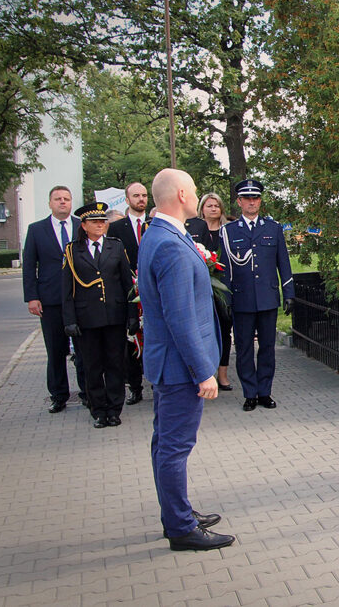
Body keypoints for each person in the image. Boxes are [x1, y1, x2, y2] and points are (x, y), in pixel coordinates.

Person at [139, 168, 234, 551]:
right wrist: (204, 372)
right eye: (193, 190)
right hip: (180, 368)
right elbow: (180, 318)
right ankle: (180, 528)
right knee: (174, 446)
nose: (197, 196)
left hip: (169, 363)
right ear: (180, 194)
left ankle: (177, 512)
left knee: (165, 443)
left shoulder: (160, 235)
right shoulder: (171, 245)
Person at [217, 179, 294, 412]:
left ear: (260, 201)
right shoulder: (228, 232)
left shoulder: (273, 228)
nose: (252, 202)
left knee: (268, 348)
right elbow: (225, 268)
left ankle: (264, 392)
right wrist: (226, 300)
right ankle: (249, 393)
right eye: (247, 198)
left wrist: (288, 292)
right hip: (242, 299)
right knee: (244, 349)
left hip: (268, 298)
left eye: (256, 198)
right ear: (239, 202)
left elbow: (284, 264)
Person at [62, 202, 138, 428]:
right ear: (84, 225)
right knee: (92, 366)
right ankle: (98, 410)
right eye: (94, 222)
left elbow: (128, 283)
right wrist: (70, 320)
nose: (100, 225)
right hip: (87, 319)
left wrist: (132, 315)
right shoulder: (72, 250)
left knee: (115, 364)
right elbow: (66, 289)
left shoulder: (115, 246)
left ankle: (115, 409)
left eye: (103, 221)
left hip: (114, 316)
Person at [22, 186, 87, 413]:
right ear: (50, 203)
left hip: (80, 297)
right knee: (56, 349)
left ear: (71, 203)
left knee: (83, 348)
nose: (62, 202)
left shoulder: (83, 226)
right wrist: (32, 297)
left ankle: (87, 391)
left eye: (66, 199)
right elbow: (29, 265)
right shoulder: (37, 230)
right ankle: (58, 395)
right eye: (57, 199)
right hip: (50, 299)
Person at [185, 192, 234, 391]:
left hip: (223, 288)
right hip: (201, 288)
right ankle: (204, 373)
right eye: (209, 205)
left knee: (224, 330)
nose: (213, 209)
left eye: (216, 205)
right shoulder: (193, 227)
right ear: (202, 208)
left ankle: (222, 373)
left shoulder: (228, 229)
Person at [108, 182, 149, 406]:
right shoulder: (116, 228)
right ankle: (135, 387)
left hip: (152, 291)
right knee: (132, 340)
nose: (141, 199)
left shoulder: (155, 224)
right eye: (136, 195)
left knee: (153, 338)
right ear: (127, 200)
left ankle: (157, 382)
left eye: (144, 195)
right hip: (128, 290)